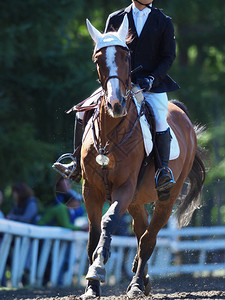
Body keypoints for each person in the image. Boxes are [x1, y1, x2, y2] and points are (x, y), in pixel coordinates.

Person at [53, 0, 179, 196]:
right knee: (82, 111)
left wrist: (152, 78)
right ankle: (76, 162)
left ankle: (163, 172)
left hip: (150, 85)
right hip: (117, 83)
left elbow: (168, 56)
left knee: (161, 117)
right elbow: (105, 52)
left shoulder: (163, 21)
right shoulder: (116, 18)